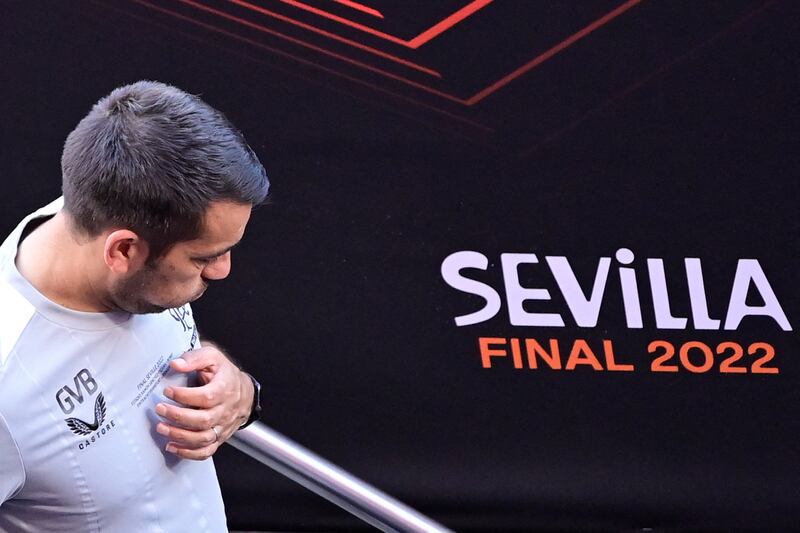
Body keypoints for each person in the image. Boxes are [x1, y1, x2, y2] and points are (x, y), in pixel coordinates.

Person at [0, 81, 269, 531]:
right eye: (204, 257)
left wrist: (242, 395)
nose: (223, 271)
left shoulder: (110, 210)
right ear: (122, 252)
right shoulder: (7, 383)